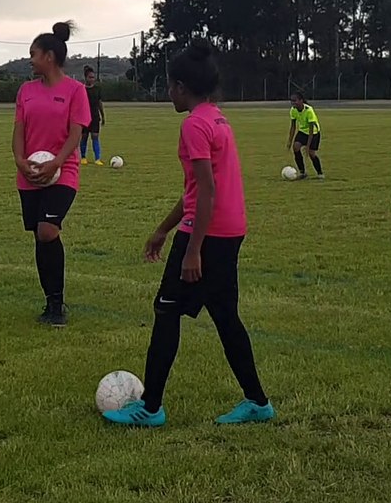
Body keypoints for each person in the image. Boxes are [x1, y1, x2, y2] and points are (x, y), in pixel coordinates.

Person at [103, 40, 273, 428]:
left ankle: (150, 408)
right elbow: (197, 190)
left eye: (169, 86)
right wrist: (163, 229)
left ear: (181, 87)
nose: (168, 93)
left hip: (207, 235)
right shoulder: (217, 119)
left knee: (166, 311)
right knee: (226, 317)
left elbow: (207, 191)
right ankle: (258, 403)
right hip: (230, 230)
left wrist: (192, 248)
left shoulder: (194, 125)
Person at [13, 21, 91, 327]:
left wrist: (57, 162)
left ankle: (58, 304)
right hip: (30, 173)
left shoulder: (76, 91)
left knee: (48, 230)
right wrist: (20, 160)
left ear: (49, 56)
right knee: (39, 236)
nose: (30, 60)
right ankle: (50, 303)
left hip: (63, 171)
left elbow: (76, 134)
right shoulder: (26, 91)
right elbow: (19, 130)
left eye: (33, 54)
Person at [286, 91, 323, 180]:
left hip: (313, 133)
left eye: (295, 100)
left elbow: (311, 130)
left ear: (301, 100)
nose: (293, 103)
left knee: (311, 154)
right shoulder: (293, 110)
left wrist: (308, 146)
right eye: (291, 101)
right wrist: (290, 141)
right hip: (302, 132)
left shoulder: (309, 110)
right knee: (296, 147)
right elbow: (293, 126)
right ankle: (302, 172)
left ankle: (320, 173)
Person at [79, 65, 106, 165]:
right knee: (84, 137)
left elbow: (99, 103)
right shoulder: (81, 89)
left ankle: (97, 158)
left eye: (93, 77)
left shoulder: (97, 89)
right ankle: (83, 157)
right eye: (90, 77)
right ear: (85, 78)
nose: (92, 79)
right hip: (84, 117)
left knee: (95, 136)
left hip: (95, 117)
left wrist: (103, 116)